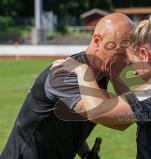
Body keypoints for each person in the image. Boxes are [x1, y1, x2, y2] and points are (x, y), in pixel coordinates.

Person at [54, 15, 151, 159]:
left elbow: (99, 111)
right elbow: (138, 97)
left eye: (131, 62)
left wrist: (83, 71)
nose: (132, 70)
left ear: (144, 55)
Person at [0, 13, 134, 159]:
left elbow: (68, 123)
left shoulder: (100, 75)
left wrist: (84, 153)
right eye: (122, 52)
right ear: (97, 41)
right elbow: (118, 119)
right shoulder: (64, 74)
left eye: (130, 52)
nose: (128, 61)